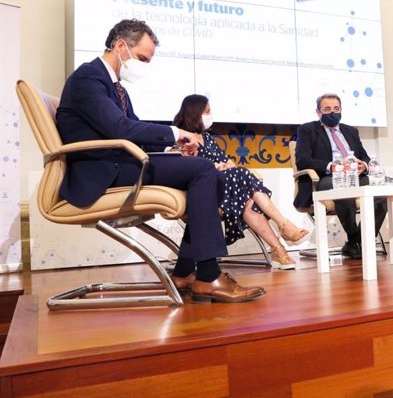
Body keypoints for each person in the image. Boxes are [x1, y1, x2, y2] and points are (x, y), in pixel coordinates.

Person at [56, 19, 265, 303]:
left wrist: (171, 148)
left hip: (120, 163)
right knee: (204, 170)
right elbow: (120, 129)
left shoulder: (115, 86)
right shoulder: (88, 79)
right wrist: (176, 132)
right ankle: (208, 275)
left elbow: (132, 129)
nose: (143, 65)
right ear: (120, 46)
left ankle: (185, 271)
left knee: (209, 174)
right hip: (103, 171)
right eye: (142, 58)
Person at [172, 94, 309, 270]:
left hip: (225, 186)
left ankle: (278, 248)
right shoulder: (181, 136)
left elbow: (226, 161)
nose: (210, 115)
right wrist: (213, 167)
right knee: (242, 180)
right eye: (207, 111)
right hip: (202, 189)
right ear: (194, 112)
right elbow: (182, 165)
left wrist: (227, 165)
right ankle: (283, 227)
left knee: (247, 202)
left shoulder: (208, 138)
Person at [294, 93, 388, 259]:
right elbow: (302, 160)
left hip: (355, 176)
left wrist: (363, 165)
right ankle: (356, 239)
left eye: (336, 109)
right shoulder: (307, 130)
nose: (333, 112)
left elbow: (364, 156)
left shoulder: (350, 131)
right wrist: (332, 166)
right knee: (343, 191)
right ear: (318, 112)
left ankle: (357, 241)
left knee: (381, 196)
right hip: (326, 179)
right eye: (327, 109)